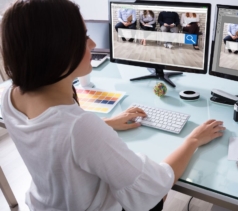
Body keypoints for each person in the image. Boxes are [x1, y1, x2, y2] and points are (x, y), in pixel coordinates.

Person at [0, 1, 225, 210]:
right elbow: (152, 185)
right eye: (83, 37)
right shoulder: (80, 128)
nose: (93, 44)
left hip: (46, 203)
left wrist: (106, 122)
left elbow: (53, 137)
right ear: (56, 50)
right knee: (158, 193)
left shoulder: (9, 93)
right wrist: (194, 139)